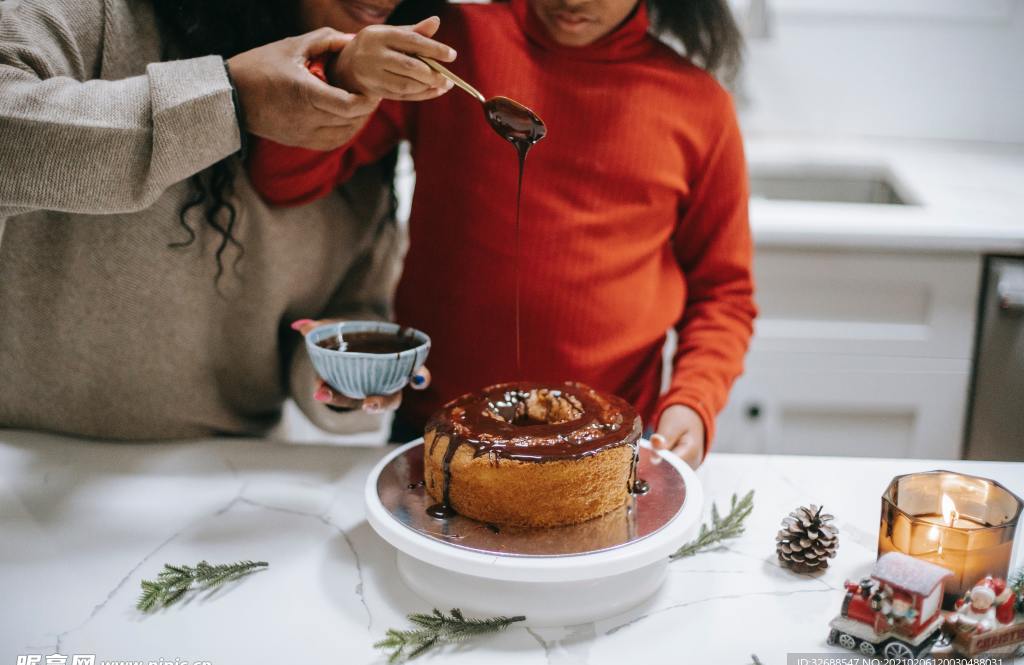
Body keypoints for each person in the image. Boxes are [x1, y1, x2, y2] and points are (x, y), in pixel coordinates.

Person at [249, 0, 757, 468]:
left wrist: (693, 401)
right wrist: (345, 72)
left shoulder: (699, 106)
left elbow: (724, 295)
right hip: (434, 430)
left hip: (610, 443)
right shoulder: (454, 47)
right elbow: (285, 179)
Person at [0, 0, 448, 440]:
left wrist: (348, 370)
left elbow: (347, 305)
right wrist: (228, 99)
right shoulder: (96, 14)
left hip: (227, 480)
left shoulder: (367, 99)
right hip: (21, 463)